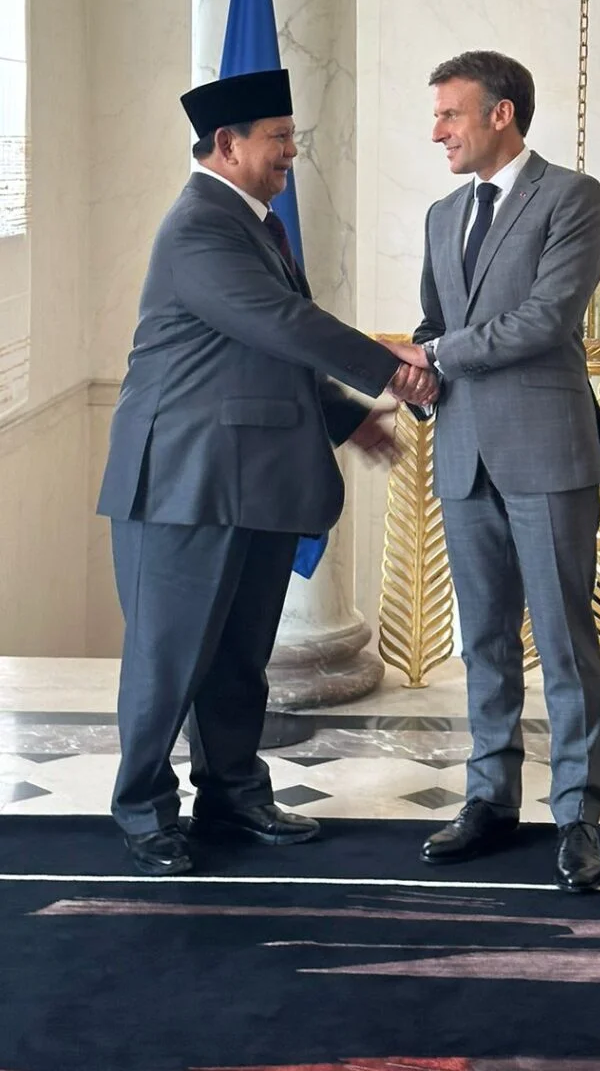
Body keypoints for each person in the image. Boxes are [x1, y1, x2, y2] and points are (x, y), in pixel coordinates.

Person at [96, 68, 436, 877]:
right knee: (168, 658)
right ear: (228, 145)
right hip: (183, 482)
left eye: (292, 136)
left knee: (239, 657)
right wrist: (386, 368)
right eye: (279, 138)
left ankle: (232, 791)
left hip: (245, 477)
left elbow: (262, 355)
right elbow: (280, 322)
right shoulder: (199, 227)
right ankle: (144, 811)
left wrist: (348, 417)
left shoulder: (254, 225)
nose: (291, 152)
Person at [389, 49, 600, 893]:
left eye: (450, 113)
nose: (436, 129)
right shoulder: (442, 216)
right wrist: (416, 378)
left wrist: (434, 352)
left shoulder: (572, 198)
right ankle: (489, 799)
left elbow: (544, 320)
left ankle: (578, 814)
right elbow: (434, 322)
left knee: (562, 639)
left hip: (548, 450)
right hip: (464, 451)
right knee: (482, 641)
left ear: (501, 115)